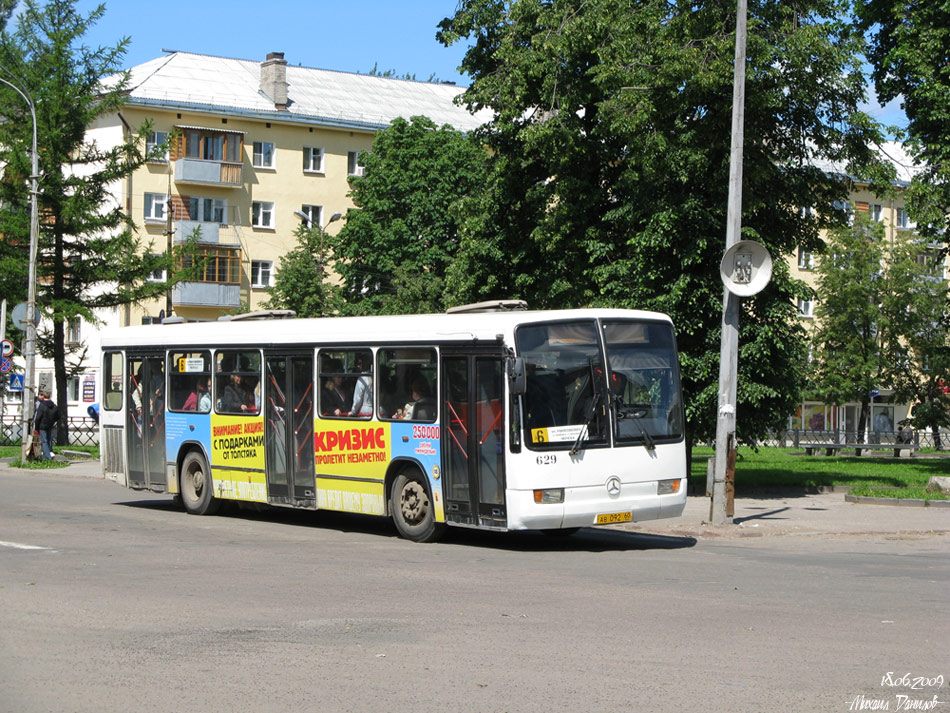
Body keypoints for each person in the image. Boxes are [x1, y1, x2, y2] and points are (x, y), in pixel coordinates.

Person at [33, 390, 59, 461]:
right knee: (48, 440)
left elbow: (38, 417)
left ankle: (48, 457)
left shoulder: (42, 405)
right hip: (50, 425)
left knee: (44, 441)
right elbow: (57, 416)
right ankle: (45, 456)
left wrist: (36, 427)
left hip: (42, 425)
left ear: (43, 396)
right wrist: (52, 422)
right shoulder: (54, 405)